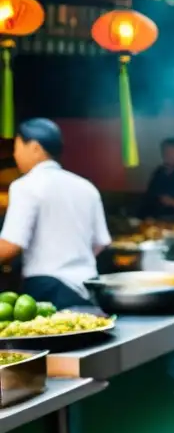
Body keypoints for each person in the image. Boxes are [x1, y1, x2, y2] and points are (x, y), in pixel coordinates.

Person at [0, 119, 110, 308]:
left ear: (35, 148)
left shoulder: (25, 186)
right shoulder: (87, 187)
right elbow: (101, 242)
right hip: (87, 289)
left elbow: (12, 244)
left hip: (46, 290)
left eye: (17, 147)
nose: (15, 155)